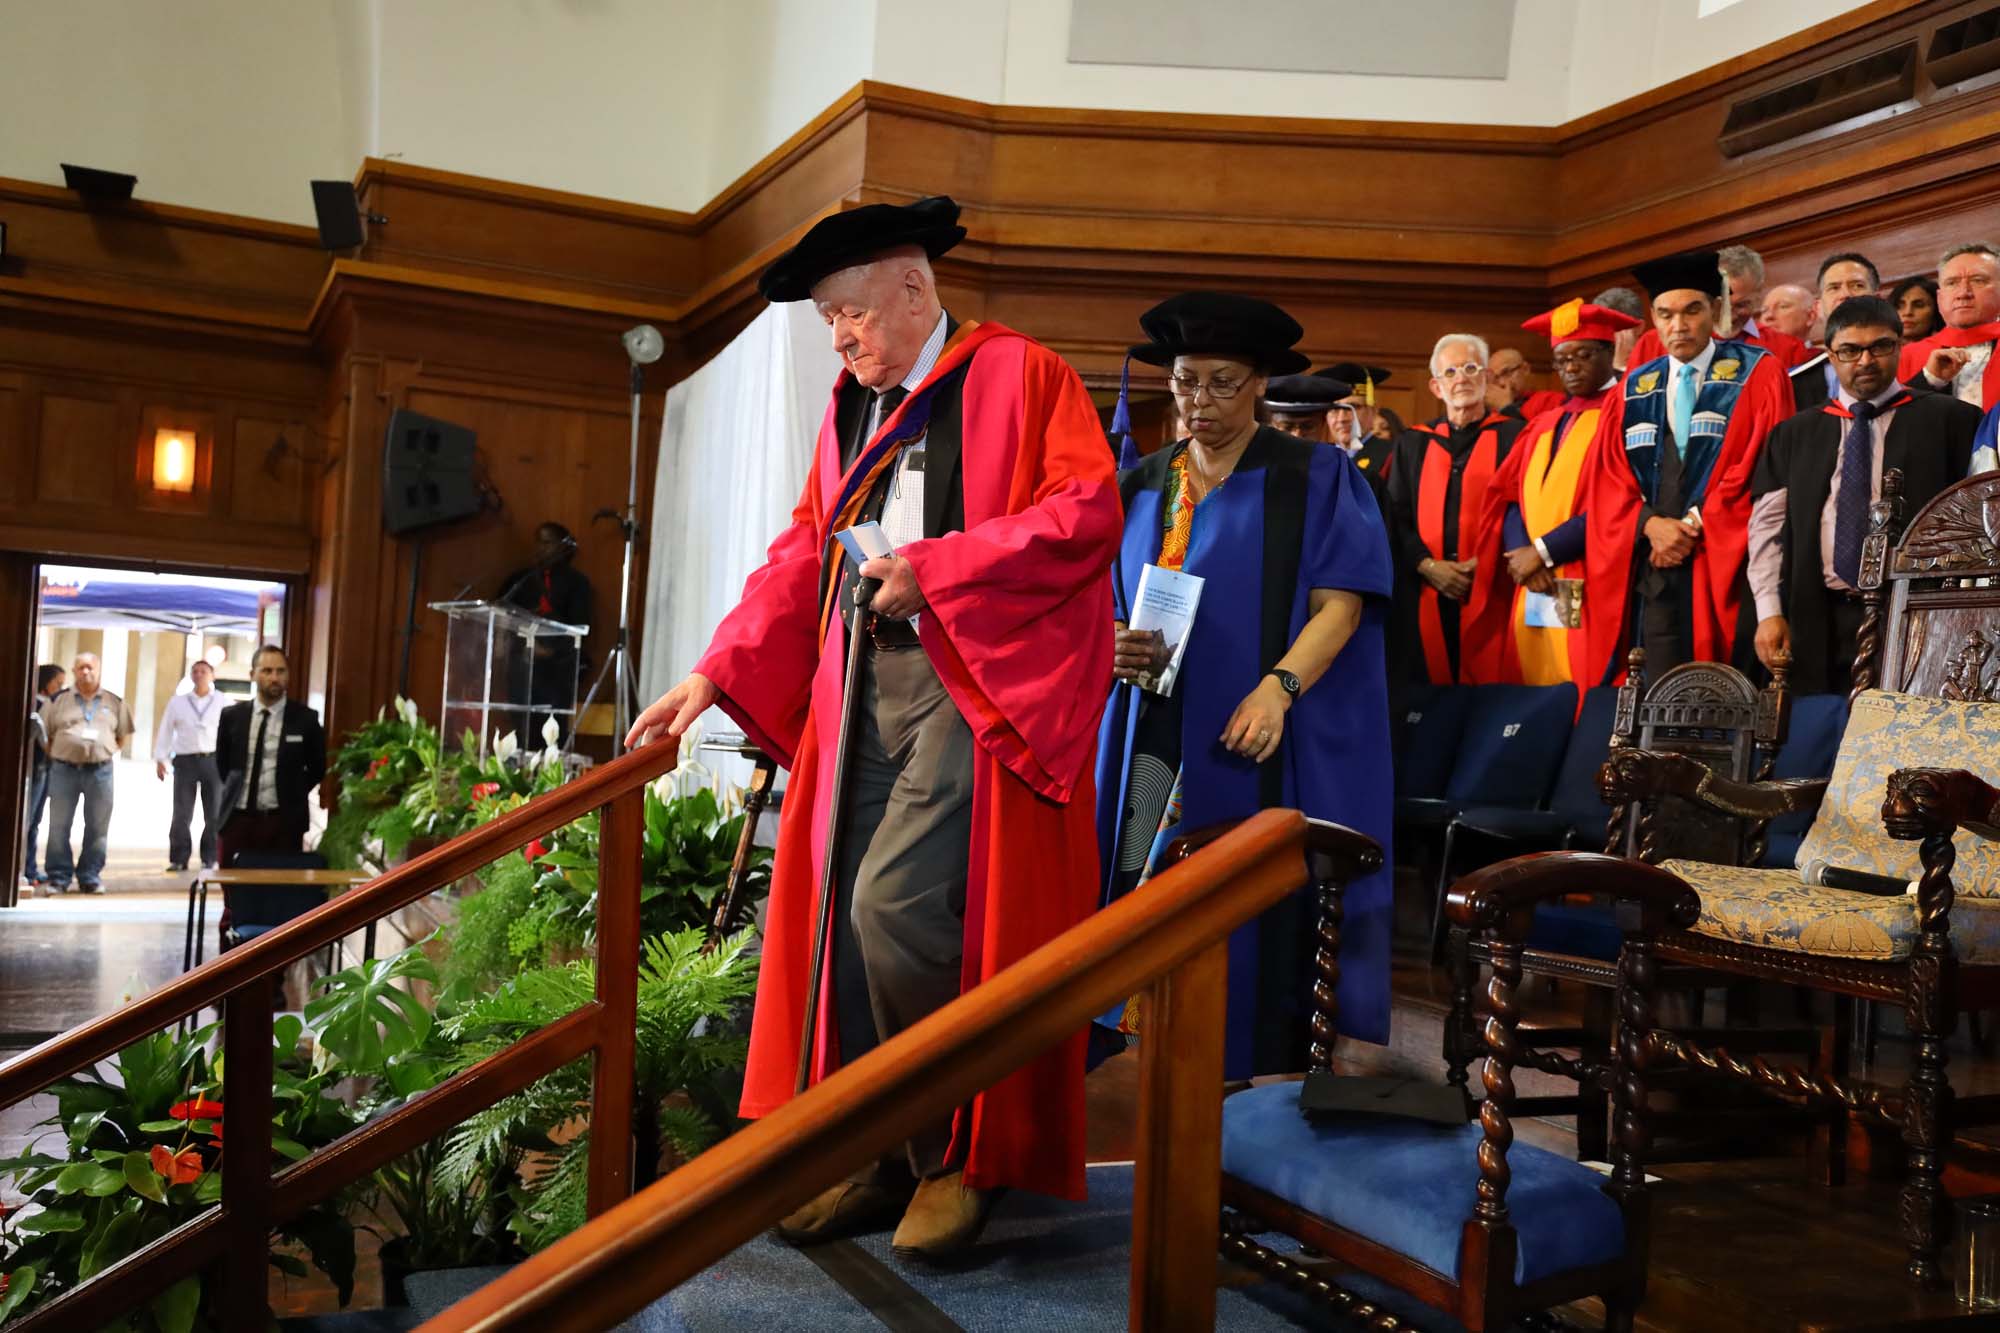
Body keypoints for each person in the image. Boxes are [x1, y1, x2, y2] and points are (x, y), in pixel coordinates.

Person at [624, 196, 1120, 1260]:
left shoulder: (1023, 375)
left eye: (847, 315)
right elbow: (806, 546)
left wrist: (936, 570)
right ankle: (865, 1144)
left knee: (895, 907)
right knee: (828, 926)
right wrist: (712, 674)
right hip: (859, 685)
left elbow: (1082, 515)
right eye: (826, 325)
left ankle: (952, 1152)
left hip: (969, 683)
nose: (839, 341)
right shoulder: (851, 410)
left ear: (912, 289)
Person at [1096, 290, 1393, 1080]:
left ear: (1260, 382)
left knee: (1241, 889)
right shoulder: (1142, 482)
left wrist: (1278, 688)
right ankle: (1156, 1039)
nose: (1200, 401)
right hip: (1154, 725)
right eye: (1187, 382)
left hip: (1256, 728)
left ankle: (1250, 1067)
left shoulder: (1315, 475)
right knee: (1143, 870)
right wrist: (1112, 643)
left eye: (1222, 382)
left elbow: (1343, 606)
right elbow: (1104, 597)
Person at [1581, 248, 1794, 680]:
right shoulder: (1634, 387)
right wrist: (1647, 524)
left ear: (1716, 309)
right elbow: (1607, 477)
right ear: (1653, 319)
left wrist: (1696, 521)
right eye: (1665, 314)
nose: (1678, 326)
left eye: (1692, 310)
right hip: (1653, 563)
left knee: (1722, 687)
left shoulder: (1759, 374)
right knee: (1656, 687)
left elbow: (1767, 467)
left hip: (1723, 561)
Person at [1749, 296, 1981, 693]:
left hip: (1915, 613)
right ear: (1830, 354)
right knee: (1819, 734)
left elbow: (1979, 523)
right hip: (1816, 611)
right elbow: (1766, 531)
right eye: (1850, 350)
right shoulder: (1794, 434)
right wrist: (1768, 611)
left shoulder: (1951, 420)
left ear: (1901, 344)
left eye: (1880, 346)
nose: (1866, 361)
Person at [1467, 298, 1640, 686]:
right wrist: (1521, 557)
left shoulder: (1627, 414)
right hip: (1535, 580)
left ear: (1609, 352)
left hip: (1590, 574)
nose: (1571, 367)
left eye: (1582, 355)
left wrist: (1542, 552)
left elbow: (1617, 505)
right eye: (1562, 360)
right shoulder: (1545, 422)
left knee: (1583, 679)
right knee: (1531, 683)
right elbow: (1509, 495)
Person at [1383, 334, 1524, 685]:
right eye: (1450, 372)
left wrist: (1489, 561)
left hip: (1495, 587)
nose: (1461, 378)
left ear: (1488, 378)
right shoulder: (1413, 443)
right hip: (1424, 588)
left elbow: (1522, 509)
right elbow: (1394, 514)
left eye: (1471, 368)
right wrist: (1426, 564)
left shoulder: (1516, 437)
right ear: (1435, 386)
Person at [215, 645, 326, 867]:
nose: (274, 678)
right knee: (235, 889)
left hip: (283, 822)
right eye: (266, 671)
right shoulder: (232, 717)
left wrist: (292, 791)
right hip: (238, 818)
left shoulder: (305, 719)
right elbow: (223, 764)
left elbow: (317, 767)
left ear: (288, 675)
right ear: (253, 674)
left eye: (280, 671)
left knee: (278, 892)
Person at [39, 652, 133, 895]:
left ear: (99, 670)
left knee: (97, 826)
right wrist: (63, 751)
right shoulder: (58, 700)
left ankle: (90, 876)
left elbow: (122, 736)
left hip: (100, 771)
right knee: (59, 824)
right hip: (64, 770)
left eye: (90, 668)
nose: (86, 672)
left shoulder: (114, 701)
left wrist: (101, 751)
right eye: (81, 668)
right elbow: (44, 734)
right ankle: (58, 877)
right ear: (73, 670)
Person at [1627, 246, 1811, 370]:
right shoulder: (1653, 345)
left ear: (1758, 295)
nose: (1729, 317)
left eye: (1741, 305)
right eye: (1722, 305)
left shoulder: (1788, 350)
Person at [498, 521, 593, 738]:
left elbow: (580, 628)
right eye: (538, 542)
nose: (540, 547)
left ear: (563, 546)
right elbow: (501, 612)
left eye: (547, 542)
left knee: (550, 735)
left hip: (556, 675)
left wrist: (550, 649)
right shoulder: (520, 580)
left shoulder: (577, 583)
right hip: (521, 671)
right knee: (520, 734)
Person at [1898, 244, 2000, 410]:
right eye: (1952, 283)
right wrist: (1931, 379)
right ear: (1940, 298)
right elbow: (1893, 422)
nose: (1963, 293)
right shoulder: (1907, 356)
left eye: (1978, 281)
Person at [154, 658, 225, 872]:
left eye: (204, 671)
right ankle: (179, 857)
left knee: (214, 812)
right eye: (195, 671)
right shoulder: (179, 702)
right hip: (185, 760)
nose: (199, 675)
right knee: (182, 811)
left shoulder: (223, 701)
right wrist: (161, 758)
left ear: (212, 675)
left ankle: (210, 856)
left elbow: (232, 732)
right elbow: (166, 729)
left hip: (213, 759)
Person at [1791, 252, 1882, 411]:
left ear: (1879, 300)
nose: (1845, 295)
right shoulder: (1792, 382)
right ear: (1818, 308)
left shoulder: (1909, 363)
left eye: (1857, 285)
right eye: (1834, 288)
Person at [22, 663, 65, 888]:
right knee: (27, 821)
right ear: (46, 682)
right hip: (36, 767)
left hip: (46, 767)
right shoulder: (36, 705)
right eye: (57, 683)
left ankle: (30, 868)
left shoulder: (51, 704)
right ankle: (25, 869)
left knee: (35, 822)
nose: (60, 687)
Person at [1319, 362, 1396, 483]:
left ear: (1373, 411)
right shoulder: (1318, 457)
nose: (1342, 418)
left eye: (1353, 407)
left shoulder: (1392, 456)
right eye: (1334, 409)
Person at [1262, 372, 1349, 444]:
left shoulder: (1338, 463)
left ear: (1323, 424)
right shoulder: (1254, 462)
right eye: (1287, 427)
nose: (1297, 435)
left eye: (1308, 427)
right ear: (1270, 424)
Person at [1486, 346, 1565, 421]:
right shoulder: (1492, 409)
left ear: (1525, 369)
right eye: (1496, 378)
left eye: (1506, 372)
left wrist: (1507, 408)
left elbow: (1536, 434)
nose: (1501, 383)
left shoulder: (1551, 400)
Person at [1593, 286, 1647, 373]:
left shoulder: (1659, 359)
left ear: (1639, 327)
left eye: (1614, 330)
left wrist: (1620, 367)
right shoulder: (1595, 374)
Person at [1888, 274, 1944, 341]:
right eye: (1899, 306)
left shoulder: (1949, 350)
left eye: (1919, 305)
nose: (1907, 312)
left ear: (1937, 310)